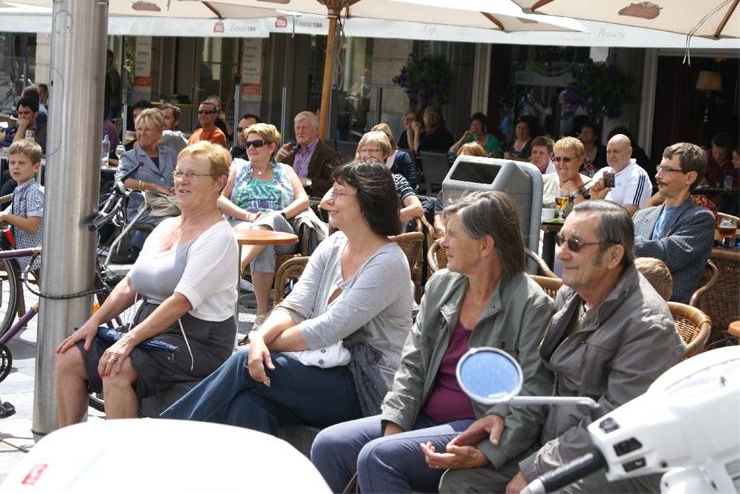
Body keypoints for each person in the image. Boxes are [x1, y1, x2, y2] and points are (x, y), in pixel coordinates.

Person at [311, 191, 554, 494]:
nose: (442, 242)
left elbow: (532, 395)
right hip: (422, 416)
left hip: (477, 426)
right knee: (329, 445)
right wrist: (395, 426)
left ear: (485, 245)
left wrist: (488, 453)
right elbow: (412, 365)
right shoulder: (441, 286)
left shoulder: (532, 305)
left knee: (378, 458)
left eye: (452, 234)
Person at [440, 200, 685, 493]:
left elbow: (614, 422)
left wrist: (538, 467)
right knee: (459, 483)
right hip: (557, 442)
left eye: (576, 244)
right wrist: (501, 412)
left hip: (616, 461)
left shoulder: (647, 326)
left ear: (613, 256)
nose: (561, 253)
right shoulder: (571, 294)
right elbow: (542, 373)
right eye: (560, 240)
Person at [161, 162, 414, 437]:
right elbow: (295, 305)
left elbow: (329, 328)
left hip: (364, 385)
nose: (327, 201)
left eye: (338, 193)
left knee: (244, 361)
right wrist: (259, 338)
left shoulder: (388, 263)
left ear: (367, 202)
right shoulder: (333, 245)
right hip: (318, 368)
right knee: (248, 403)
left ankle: (165, 435)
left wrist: (262, 344)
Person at [54, 141, 239, 423]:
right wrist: (94, 322)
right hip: (151, 331)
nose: (182, 180)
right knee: (69, 357)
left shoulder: (220, 237)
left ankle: (124, 451)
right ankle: (70, 445)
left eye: (193, 174)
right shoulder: (165, 226)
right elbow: (131, 283)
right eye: (179, 173)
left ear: (219, 182)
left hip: (196, 340)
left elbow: (181, 302)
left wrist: (127, 340)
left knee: (116, 367)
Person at [216, 123, 309, 327]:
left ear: (271, 147)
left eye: (257, 143)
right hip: (244, 227)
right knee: (263, 246)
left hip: (281, 232)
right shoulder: (238, 168)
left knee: (270, 220)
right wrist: (248, 216)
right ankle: (261, 315)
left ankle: (237, 266)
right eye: (248, 144)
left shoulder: (285, 170)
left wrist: (280, 215)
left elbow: (303, 200)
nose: (251, 148)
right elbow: (220, 198)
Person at [632, 142, 715, 304]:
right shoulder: (641, 216)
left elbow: (663, 256)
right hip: (627, 300)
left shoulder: (701, 219)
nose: (658, 175)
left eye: (668, 169)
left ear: (689, 178)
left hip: (668, 308)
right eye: (659, 168)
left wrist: (619, 237)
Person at [115, 108, 177, 251]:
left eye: (147, 129)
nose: (142, 133)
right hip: (143, 210)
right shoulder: (130, 157)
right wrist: (154, 187)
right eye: (139, 129)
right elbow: (121, 181)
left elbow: (180, 176)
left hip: (171, 206)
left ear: (159, 132)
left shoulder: (170, 154)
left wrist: (177, 186)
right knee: (171, 224)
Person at [0, 140, 44, 271]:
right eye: (12, 162)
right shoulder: (19, 190)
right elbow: (7, 216)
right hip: (15, 251)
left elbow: (32, 226)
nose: (15, 167)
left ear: (36, 167)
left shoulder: (34, 192)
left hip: (30, 257)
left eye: (21, 163)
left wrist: (6, 216)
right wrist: (0, 218)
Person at [354, 131, 423, 224]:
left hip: (386, 231)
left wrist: (386, 221)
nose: (367, 154)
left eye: (372, 150)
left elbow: (417, 208)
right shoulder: (352, 179)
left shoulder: (396, 180)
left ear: (385, 154)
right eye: (363, 150)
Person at [275, 110, 342, 198]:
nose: (300, 131)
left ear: (316, 130)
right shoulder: (288, 153)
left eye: (304, 128)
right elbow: (272, 180)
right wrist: (277, 160)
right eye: (297, 128)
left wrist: (308, 182)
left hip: (313, 203)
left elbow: (335, 184)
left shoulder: (329, 155)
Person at [590, 133, 652, 215]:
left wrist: (598, 207)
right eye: (608, 152)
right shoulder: (605, 172)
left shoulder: (637, 175)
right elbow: (590, 208)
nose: (611, 156)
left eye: (616, 152)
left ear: (629, 152)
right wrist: (595, 200)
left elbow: (629, 213)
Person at [542, 137, 591, 210]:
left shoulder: (592, 187)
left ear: (580, 160)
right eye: (557, 159)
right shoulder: (542, 181)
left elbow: (586, 215)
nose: (561, 164)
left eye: (566, 159)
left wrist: (574, 192)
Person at [370, 123, 418, 189]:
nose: (376, 141)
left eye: (379, 138)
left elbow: (412, 182)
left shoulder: (402, 156)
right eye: (373, 139)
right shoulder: (370, 157)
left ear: (389, 138)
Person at [104, 49, 122, 120]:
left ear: (110, 58)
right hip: (110, 104)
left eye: (106, 57)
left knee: (110, 122)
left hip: (112, 104)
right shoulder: (108, 71)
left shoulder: (112, 72)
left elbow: (112, 88)